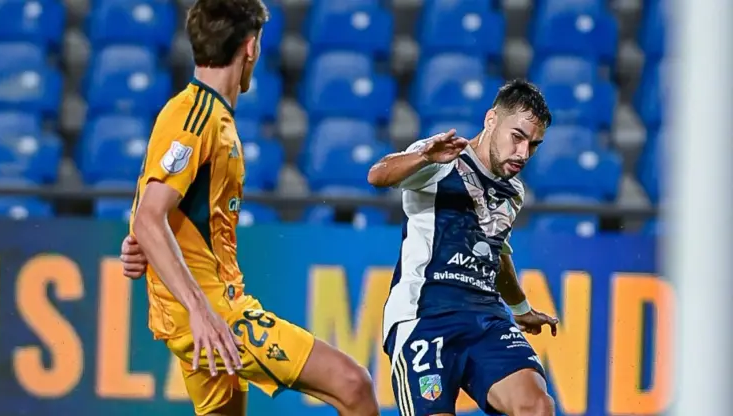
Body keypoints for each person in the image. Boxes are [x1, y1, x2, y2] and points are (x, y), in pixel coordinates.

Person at [119, 1, 379, 415]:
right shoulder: (195, 116)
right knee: (353, 385)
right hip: (212, 315)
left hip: (204, 311)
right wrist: (201, 311)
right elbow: (150, 215)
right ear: (251, 47)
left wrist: (141, 245)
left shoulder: (199, 113)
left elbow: (155, 209)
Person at [366, 79, 559, 416]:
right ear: (491, 120)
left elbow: (496, 253)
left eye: (534, 144)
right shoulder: (442, 156)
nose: (523, 153)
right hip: (426, 316)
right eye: (517, 137)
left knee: (536, 406)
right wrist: (425, 155)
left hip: (486, 317)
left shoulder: (513, 191)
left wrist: (521, 308)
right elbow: (378, 175)